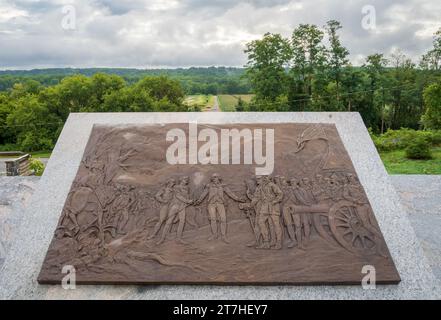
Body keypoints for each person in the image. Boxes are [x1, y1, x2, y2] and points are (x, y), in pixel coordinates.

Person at [195, 173, 244, 243]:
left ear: (219, 178)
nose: (215, 179)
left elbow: (230, 193)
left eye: (216, 177)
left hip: (220, 203)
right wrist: (199, 201)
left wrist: (238, 199)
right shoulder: (209, 186)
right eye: (214, 178)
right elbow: (204, 194)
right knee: (213, 219)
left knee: (223, 219)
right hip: (211, 204)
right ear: (212, 179)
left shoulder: (223, 186)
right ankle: (214, 234)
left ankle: (223, 236)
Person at [156, 176, 194, 245]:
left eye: (187, 180)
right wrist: (187, 201)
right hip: (175, 206)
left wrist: (190, 201)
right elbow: (178, 196)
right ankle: (162, 239)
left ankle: (178, 238)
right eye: (185, 179)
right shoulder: (176, 187)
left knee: (182, 221)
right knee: (168, 222)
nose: (186, 181)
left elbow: (187, 196)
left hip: (183, 207)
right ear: (181, 180)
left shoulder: (187, 188)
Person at [249, 175, 283, 249]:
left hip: (273, 207)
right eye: (257, 179)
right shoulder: (259, 188)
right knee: (260, 222)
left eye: (259, 179)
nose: (257, 181)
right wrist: (250, 205)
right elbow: (256, 197)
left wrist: (275, 201)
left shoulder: (271, 185)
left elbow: (280, 194)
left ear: (263, 179)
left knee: (276, 225)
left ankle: (279, 242)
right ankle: (266, 242)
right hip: (264, 208)